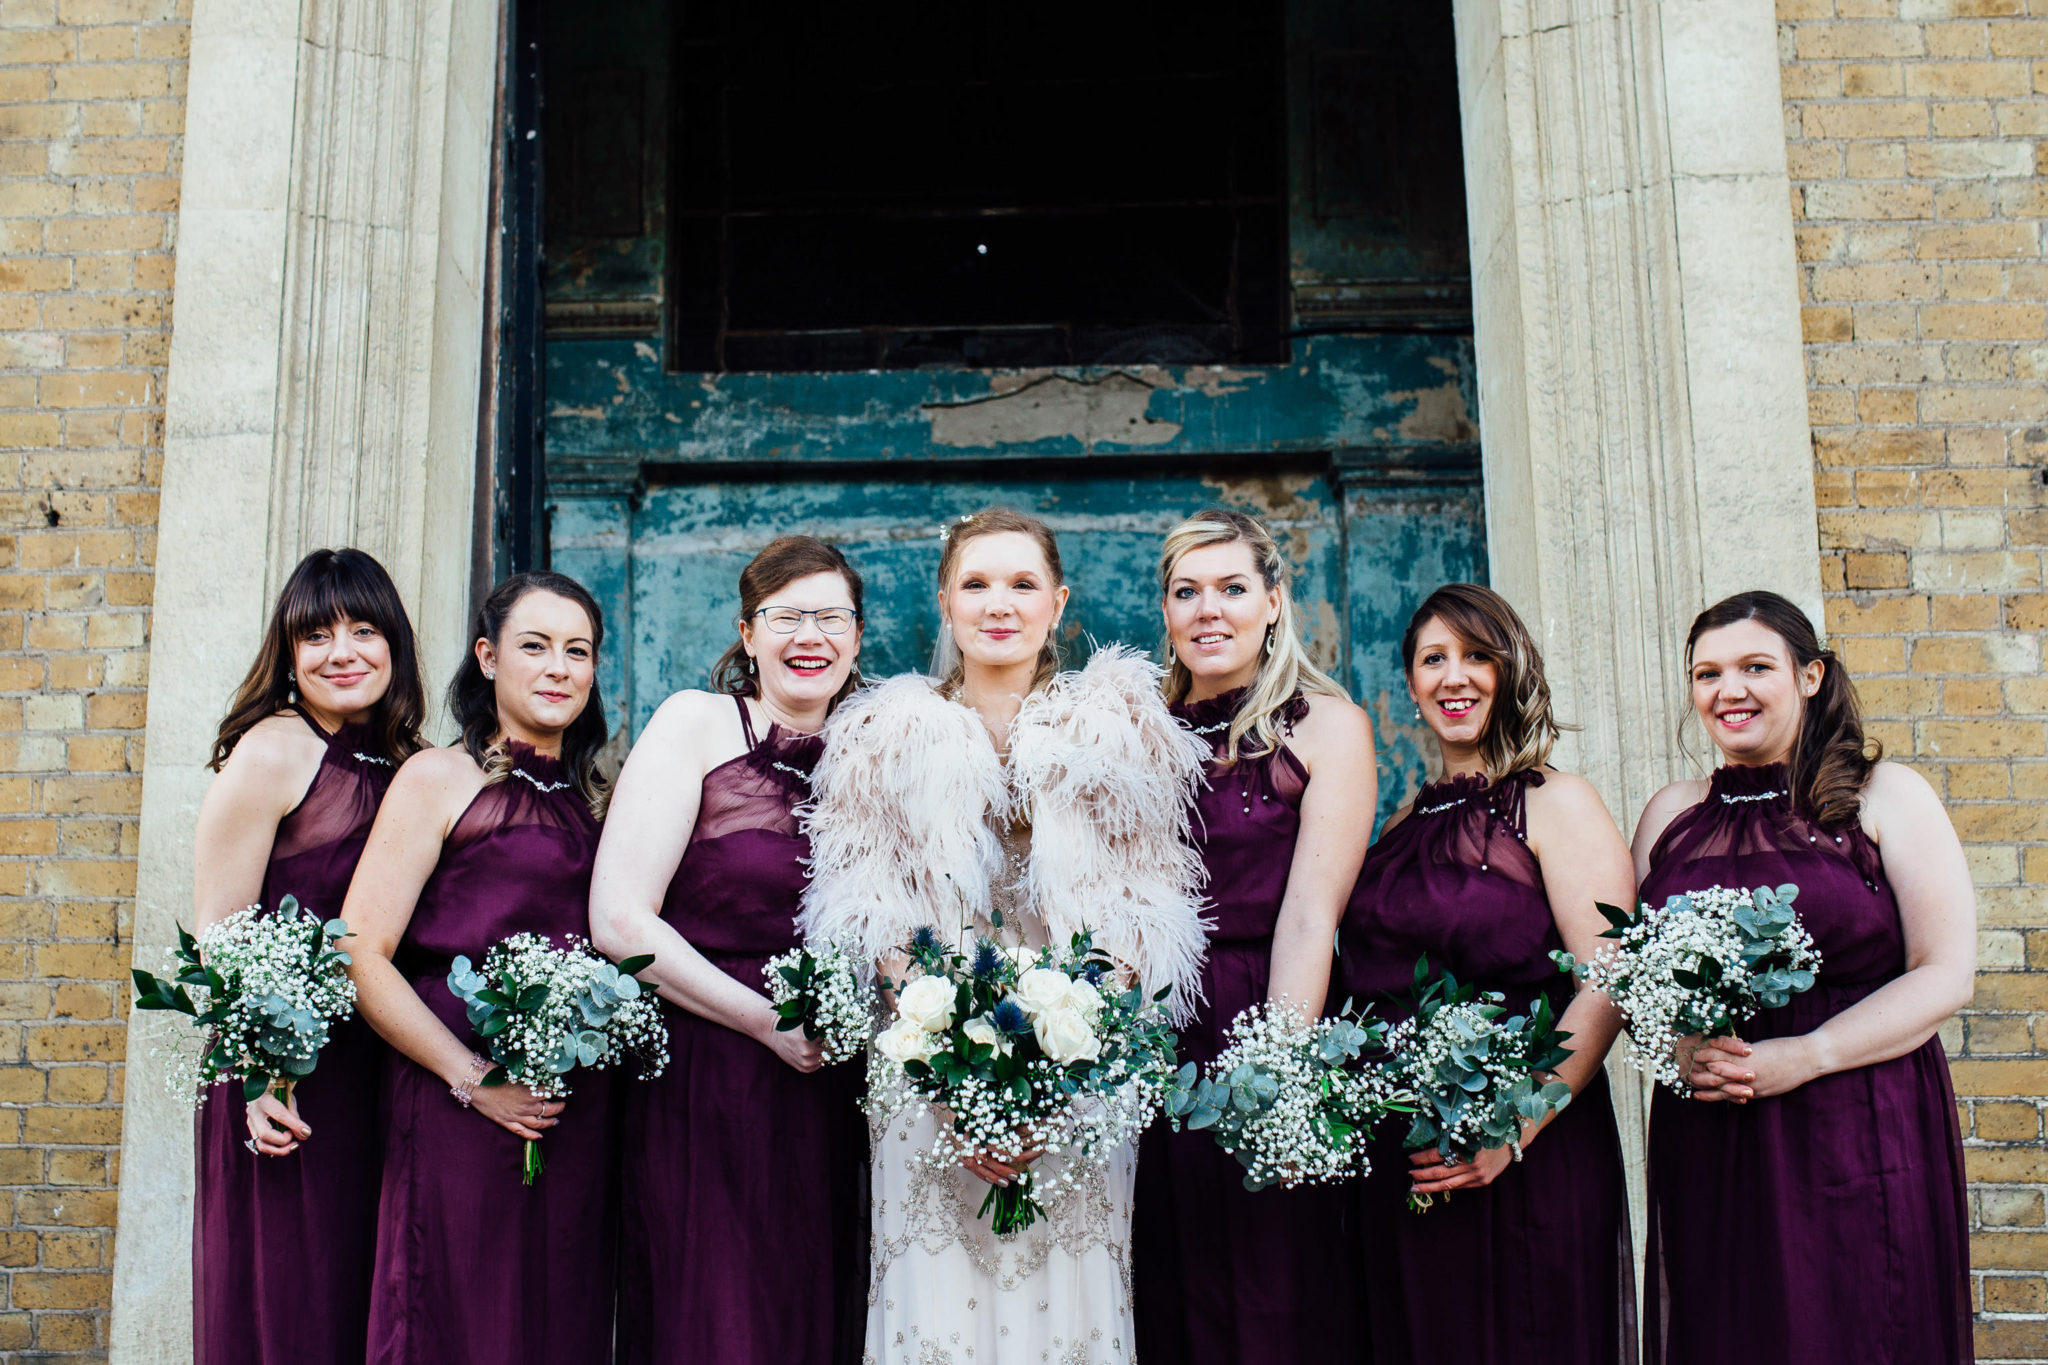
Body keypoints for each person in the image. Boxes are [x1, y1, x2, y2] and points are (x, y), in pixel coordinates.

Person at [800, 506, 1210, 1365]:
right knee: (938, 1311)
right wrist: (945, 1066)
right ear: (945, 602)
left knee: (1072, 1310)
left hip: (1084, 1070)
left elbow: (1145, 911)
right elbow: (871, 910)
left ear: (1057, 603)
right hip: (928, 1078)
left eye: (1023, 584)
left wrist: (1065, 1069)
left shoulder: (1121, 732)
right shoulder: (881, 736)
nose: (1000, 603)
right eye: (977, 583)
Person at [1632, 589, 1974, 1365]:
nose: (1730, 690)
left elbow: (1947, 973)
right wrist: (1676, 1045)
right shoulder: (1669, 816)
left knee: (1856, 1324)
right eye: (1708, 673)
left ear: (1811, 675)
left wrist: (1809, 1053)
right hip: (1714, 1135)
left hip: (1856, 1120)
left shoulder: (1884, 798)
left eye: (1756, 666)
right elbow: (1632, 975)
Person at [1340, 582, 1636, 1364]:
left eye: (1476, 656)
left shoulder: (1555, 803)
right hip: (1402, 1161)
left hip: (1524, 1159)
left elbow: (1606, 982)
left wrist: (1514, 1125)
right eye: (1434, 659)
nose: (1454, 676)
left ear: (1510, 670)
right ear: (1410, 684)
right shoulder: (1399, 824)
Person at [592, 536, 870, 1365]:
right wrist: (763, 1021)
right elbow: (619, 919)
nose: (808, 635)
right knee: (717, 1314)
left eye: (831, 616)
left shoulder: (882, 744)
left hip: (836, 1084)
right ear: (748, 635)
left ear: (857, 636)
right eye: (786, 616)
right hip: (710, 1068)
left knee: (818, 1307)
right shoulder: (695, 723)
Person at [344, 571, 618, 1363]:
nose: (558, 667)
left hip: (576, 1106)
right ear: (489, 657)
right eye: (534, 646)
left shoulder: (605, 795)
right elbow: (362, 952)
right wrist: (472, 1076)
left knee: (558, 1317)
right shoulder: (437, 778)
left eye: (578, 651)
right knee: (455, 1311)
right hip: (454, 1094)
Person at [1131, 508, 1375, 1363]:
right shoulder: (1133, 729)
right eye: (1186, 591)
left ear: (1273, 601)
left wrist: (1278, 1068)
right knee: (1167, 1277)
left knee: (1280, 1285)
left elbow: (1312, 914)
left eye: (1232, 588)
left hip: (1269, 1007)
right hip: (1150, 1028)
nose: (1210, 610)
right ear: (1164, 610)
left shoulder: (1326, 727)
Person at [189, 548, 425, 1365]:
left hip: (378, 1071)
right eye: (316, 635)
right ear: (288, 655)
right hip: (285, 1082)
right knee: (291, 1305)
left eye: (363, 629)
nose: (343, 652)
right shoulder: (273, 750)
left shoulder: (406, 762)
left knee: (369, 1302)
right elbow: (217, 938)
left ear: (394, 643)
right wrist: (259, 1079)